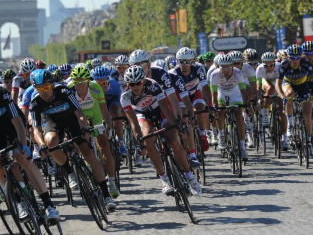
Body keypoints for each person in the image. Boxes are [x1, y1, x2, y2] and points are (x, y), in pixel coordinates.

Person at [0, 68, 60, 223]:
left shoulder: (1, 93)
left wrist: (23, 145)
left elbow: (17, 122)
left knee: (23, 159)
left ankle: (49, 205)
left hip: (12, 127)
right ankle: (20, 203)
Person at [29, 69, 117, 212]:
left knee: (88, 154)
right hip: (54, 123)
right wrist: (41, 145)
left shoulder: (64, 92)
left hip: (72, 121)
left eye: (45, 87)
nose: (43, 92)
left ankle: (106, 195)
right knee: (50, 142)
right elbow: (35, 129)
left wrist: (83, 129)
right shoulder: (35, 103)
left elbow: (80, 114)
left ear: (52, 85)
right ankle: (69, 172)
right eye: (39, 89)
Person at [120, 65, 201, 196]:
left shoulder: (153, 85)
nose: (135, 87)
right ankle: (164, 179)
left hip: (160, 110)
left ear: (144, 81)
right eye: (131, 84)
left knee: (173, 140)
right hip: (143, 114)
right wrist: (139, 141)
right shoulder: (125, 96)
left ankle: (189, 175)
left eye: (138, 83)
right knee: (147, 139)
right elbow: (134, 123)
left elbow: (165, 109)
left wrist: (176, 125)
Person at [67, 66, 119, 198]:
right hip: (78, 116)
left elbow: (105, 112)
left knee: (104, 145)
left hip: (95, 112)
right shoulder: (68, 90)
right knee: (80, 143)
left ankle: (112, 182)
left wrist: (108, 126)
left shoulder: (96, 88)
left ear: (88, 81)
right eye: (76, 82)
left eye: (83, 82)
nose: (80, 85)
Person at [275, 44, 313, 157]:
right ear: (288, 57)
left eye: (297, 58)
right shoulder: (284, 65)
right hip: (288, 84)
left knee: (307, 113)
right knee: (290, 95)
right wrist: (282, 97)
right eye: (292, 58)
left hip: (302, 86)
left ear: (301, 57)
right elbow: (278, 83)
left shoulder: (306, 64)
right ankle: (290, 125)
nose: (295, 60)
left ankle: (309, 143)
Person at [170, 47, 211, 154]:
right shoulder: (174, 73)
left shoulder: (198, 68)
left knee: (201, 109)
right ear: (177, 61)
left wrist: (210, 104)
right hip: (181, 98)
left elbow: (205, 87)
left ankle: (202, 134)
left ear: (192, 62)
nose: (184, 65)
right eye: (181, 62)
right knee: (185, 116)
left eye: (187, 62)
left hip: (194, 94)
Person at [209, 54, 249, 160]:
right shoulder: (214, 74)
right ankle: (221, 136)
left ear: (232, 66)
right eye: (223, 67)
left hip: (234, 93)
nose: (225, 70)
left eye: (228, 67)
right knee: (221, 111)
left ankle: (242, 147)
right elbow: (213, 95)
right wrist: (215, 106)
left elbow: (243, 91)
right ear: (219, 67)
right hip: (221, 93)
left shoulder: (238, 73)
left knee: (239, 115)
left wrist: (246, 104)